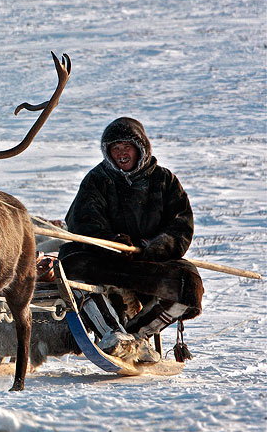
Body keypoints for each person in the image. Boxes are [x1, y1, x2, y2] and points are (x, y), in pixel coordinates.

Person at [58, 117, 204, 363]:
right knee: (70, 261)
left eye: (126, 146)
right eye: (114, 148)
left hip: (149, 260)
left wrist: (150, 247)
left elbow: (181, 228)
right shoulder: (97, 179)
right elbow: (83, 222)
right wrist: (110, 241)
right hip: (105, 257)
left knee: (188, 282)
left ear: (141, 148)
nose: (121, 153)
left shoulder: (165, 181)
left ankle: (136, 335)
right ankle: (111, 334)